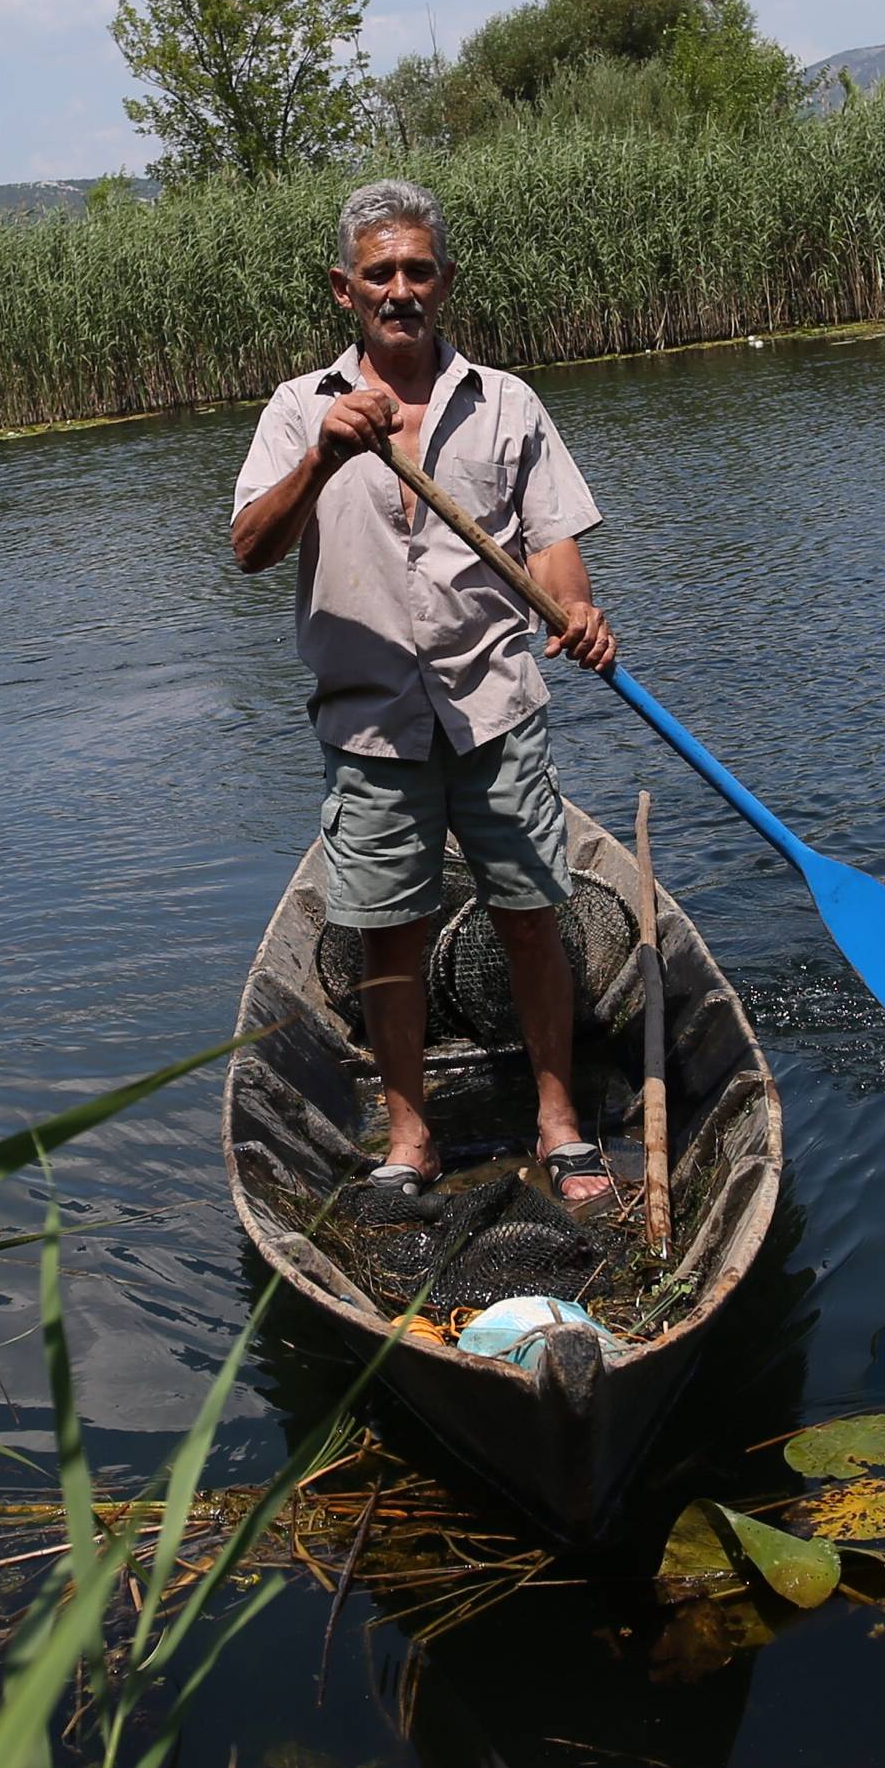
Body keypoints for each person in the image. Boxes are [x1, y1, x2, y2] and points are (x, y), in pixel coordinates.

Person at [231, 179, 618, 1205]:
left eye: (417, 270)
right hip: (370, 723)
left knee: (533, 915)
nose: (399, 289)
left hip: (493, 704)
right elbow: (249, 549)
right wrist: (322, 456)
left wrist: (574, 610)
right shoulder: (295, 410)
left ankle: (561, 1122)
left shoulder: (507, 401)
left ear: (443, 280)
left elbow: (555, 546)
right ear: (344, 288)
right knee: (387, 931)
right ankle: (412, 1139)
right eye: (378, 273)